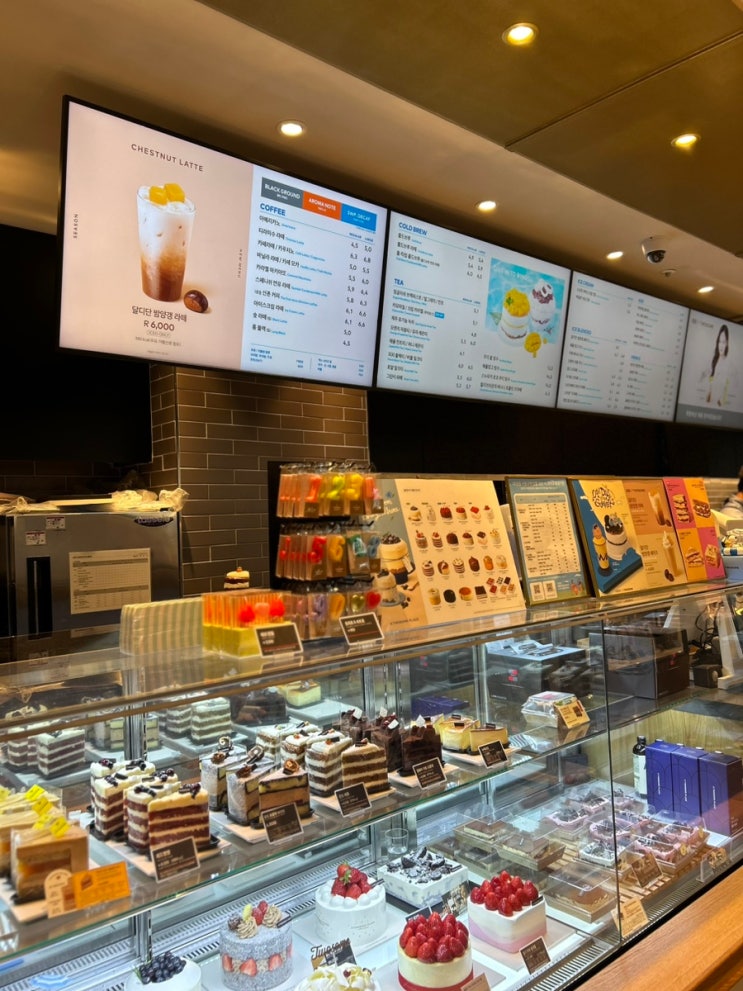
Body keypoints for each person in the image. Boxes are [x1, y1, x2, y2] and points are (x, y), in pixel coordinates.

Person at [706, 324, 731, 406]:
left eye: (723, 342)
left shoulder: (727, 363)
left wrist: (720, 402)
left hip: (718, 405)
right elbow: (710, 380)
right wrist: (709, 393)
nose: (721, 345)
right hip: (709, 404)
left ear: (727, 343)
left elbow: (725, 390)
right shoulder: (714, 359)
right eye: (719, 341)